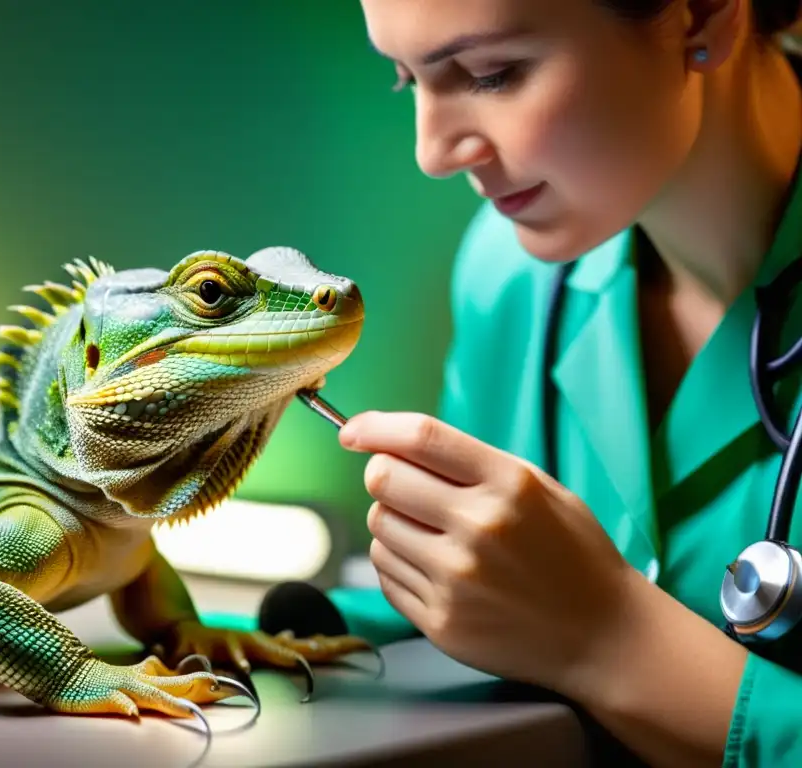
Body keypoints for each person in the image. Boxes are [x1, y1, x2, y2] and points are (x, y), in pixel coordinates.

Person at [321, 1, 802, 766]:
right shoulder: (507, 275)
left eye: (491, 74)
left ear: (705, 15)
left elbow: (558, 626)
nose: (432, 152)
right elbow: (490, 608)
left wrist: (609, 638)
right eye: (405, 78)